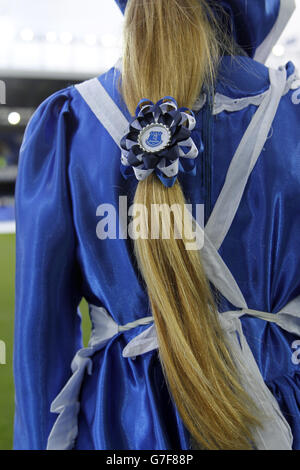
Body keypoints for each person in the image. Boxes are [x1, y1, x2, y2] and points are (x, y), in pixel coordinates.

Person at [13, 0, 300, 450]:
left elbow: (40, 344)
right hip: (273, 407)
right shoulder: (293, 111)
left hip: (123, 422)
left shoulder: (70, 122)